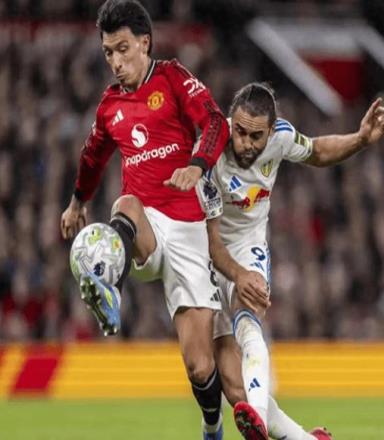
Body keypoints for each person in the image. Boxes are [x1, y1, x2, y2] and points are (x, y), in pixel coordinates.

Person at [60, 1, 230, 439]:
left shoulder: (172, 77)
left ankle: (212, 426)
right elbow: (93, 157)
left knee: (199, 365)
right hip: (145, 228)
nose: (116, 62)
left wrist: (197, 165)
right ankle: (110, 289)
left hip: (189, 230)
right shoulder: (110, 106)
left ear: (144, 43)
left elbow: (215, 121)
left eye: (122, 49)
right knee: (126, 204)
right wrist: (77, 202)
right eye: (108, 53)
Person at [196, 83, 384, 439]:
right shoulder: (209, 150)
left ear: (271, 132)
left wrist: (361, 139)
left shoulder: (282, 138)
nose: (245, 143)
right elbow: (210, 241)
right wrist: (236, 275)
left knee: (248, 319)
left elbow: (317, 150)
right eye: (240, 132)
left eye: (256, 136)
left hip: (248, 247)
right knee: (233, 387)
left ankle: (255, 417)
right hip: (207, 252)